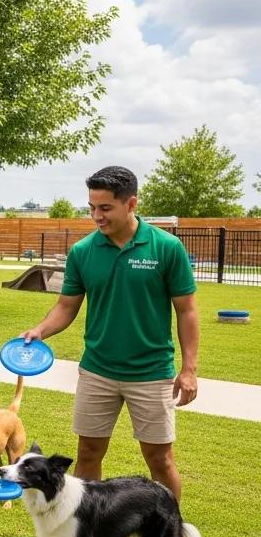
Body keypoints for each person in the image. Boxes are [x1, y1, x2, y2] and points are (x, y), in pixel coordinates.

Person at [21, 166, 198, 501]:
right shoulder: (83, 251)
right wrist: (41, 330)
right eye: (91, 207)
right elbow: (66, 306)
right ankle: (86, 533)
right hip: (97, 371)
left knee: (160, 460)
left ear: (131, 203)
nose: (96, 216)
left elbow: (186, 311)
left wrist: (189, 369)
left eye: (105, 208)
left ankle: (169, 536)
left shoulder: (166, 248)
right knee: (88, 453)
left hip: (151, 372)